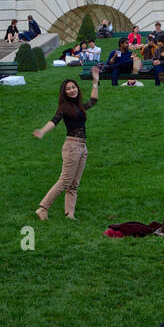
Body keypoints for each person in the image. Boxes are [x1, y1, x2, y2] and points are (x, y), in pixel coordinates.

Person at [33, 68, 100, 219]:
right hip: (72, 147)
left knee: (74, 183)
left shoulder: (79, 106)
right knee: (65, 180)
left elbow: (93, 101)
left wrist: (95, 81)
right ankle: (43, 208)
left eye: (73, 87)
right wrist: (43, 131)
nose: (72, 90)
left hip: (82, 147)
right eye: (68, 89)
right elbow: (54, 121)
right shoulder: (64, 107)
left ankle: (70, 213)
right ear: (64, 92)